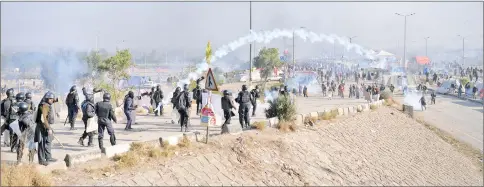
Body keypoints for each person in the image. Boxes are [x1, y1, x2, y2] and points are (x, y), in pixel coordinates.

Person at [34, 92, 58, 166]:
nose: (52, 100)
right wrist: (48, 128)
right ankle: (41, 160)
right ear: (47, 98)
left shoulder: (47, 103)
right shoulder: (44, 106)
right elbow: (43, 119)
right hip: (42, 126)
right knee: (41, 143)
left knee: (48, 141)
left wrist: (56, 99)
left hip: (45, 126)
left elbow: (53, 101)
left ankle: (48, 157)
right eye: (50, 99)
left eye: (52, 99)